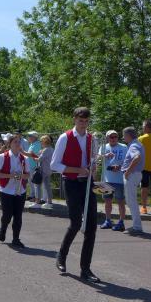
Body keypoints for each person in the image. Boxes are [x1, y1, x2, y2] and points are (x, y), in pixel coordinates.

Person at [51, 107, 100, 282]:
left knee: (92, 227)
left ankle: (85, 269)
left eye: (86, 121)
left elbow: (93, 161)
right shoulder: (65, 138)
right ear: (74, 119)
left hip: (88, 183)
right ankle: (61, 255)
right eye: (80, 121)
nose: (83, 124)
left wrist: (93, 168)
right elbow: (54, 164)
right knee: (76, 223)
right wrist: (77, 170)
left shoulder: (92, 139)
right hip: (71, 183)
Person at [0, 133, 30, 248]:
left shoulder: (24, 158)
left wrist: (22, 176)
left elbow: (28, 175)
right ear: (9, 144)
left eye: (19, 142)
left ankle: (16, 239)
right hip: (6, 190)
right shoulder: (2, 157)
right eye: (15, 142)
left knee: (18, 216)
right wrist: (11, 176)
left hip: (20, 190)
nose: (18, 144)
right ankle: (3, 228)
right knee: (7, 215)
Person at [99, 130, 128, 231]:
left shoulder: (123, 147)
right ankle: (108, 220)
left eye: (115, 137)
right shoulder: (104, 147)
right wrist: (105, 156)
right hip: (106, 179)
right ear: (107, 138)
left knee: (120, 201)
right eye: (111, 137)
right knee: (107, 201)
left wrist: (119, 167)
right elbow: (98, 159)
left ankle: (121, 222)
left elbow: (128, 160)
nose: (114, 139)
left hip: (120, 179)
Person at [121, 127, 145, 234]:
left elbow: (137, 157)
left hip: (132, 175)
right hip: (135, 174)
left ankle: (137, 227)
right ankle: (136, 226)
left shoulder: (133, 145)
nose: (123, 138)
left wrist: (128, 171)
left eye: (124, 135)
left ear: (128, 135)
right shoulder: (138, 144)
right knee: (131, 201)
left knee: (131, 201)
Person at [23, 131, 42, 205]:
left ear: (34, 137)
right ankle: (32, 195)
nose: (28, 137)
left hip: (34, 166)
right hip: (30, 165)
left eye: (30, 136)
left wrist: (21, 151)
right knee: (31, 181)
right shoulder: (32, 144)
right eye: (28, 136)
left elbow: (31, 155)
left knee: (33, 182)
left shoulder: (37, 144)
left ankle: (34, 196)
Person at [38, 135, 54, 209]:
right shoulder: (51, 149)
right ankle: (49, 201)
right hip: (49, 169)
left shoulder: (46, 150)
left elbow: (39, 159)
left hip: (44, 170)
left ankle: (48, 202)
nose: (40, 143)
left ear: (45, 141)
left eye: (41, 141)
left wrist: (33, 157)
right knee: (47, 186)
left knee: (44, 186)